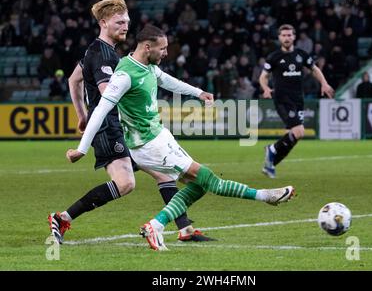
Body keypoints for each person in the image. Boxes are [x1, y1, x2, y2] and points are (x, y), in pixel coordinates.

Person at [66, 24, 296, 251]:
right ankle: (266, 196)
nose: (166, 53)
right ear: (147, 47)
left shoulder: (147, 67)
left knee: (198, 186)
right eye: (162, 48)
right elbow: (101, 110)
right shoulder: (125, 74)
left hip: (159, 137)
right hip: (148, 145)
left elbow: (167, 80)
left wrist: (198, 93)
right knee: (208, 179)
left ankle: (155, 225)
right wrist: (82, 149)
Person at [48, 0, 211, 245]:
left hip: (124, 128)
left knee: (165, 175)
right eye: (120, 21)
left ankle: (185, 229)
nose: (126, 26)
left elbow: (74, 80)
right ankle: (62, 218)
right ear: (103, 23)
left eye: (127, 21)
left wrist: (82, 114)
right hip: (110, 129)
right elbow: (107, 97)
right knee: (125, 184)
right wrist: (89, 121)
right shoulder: (103, 55)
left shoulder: (100, 50)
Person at [259, 24, 334, 178]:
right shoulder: (274, 57)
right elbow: (263, 76)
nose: (287, 38)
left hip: (298, 99)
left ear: (294, 37)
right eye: (284, 35)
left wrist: (324, 83)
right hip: (282, 99)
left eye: (289, 35)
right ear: (279, 38)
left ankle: (270, 165)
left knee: (294, 137)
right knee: (299, 131)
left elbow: (314, 69)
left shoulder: (302, 55)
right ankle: (271, 150)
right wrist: (265, 88)